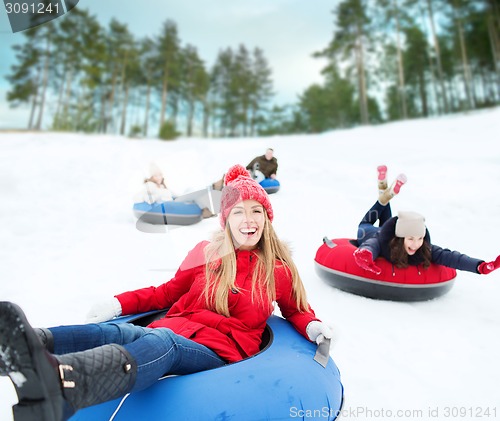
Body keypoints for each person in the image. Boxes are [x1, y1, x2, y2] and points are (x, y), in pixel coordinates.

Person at [0, 164, 332, 421]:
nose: (249, 220)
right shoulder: (206, 253)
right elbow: (166, 293)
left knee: (163, 345)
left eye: (256, 211)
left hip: (221, 350)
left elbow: (296, 310)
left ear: (267, 217)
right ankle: (25, 343)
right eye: (239, 212)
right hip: (177, 326)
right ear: (226, 220)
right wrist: (119, 302)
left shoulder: (277, 270)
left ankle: (65, 384)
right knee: (119, 332)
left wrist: (312, 326)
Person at [353, 165, 500, 275]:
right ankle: (385, 193)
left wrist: (480, 266)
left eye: (420, 238)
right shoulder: (380, 242)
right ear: (400, 237)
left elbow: (449, 256)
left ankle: (385, 189)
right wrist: (365, 254)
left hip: (388, 229)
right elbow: (370, 246)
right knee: (367, 221)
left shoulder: (422, 248)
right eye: (410, 238)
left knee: (385, 212)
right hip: (367, 231)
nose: (416, 244)